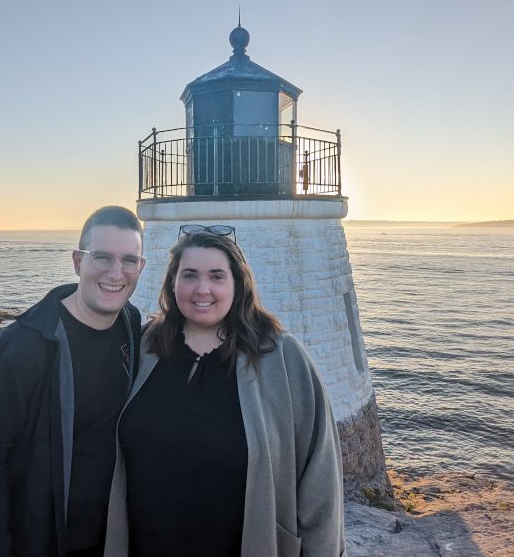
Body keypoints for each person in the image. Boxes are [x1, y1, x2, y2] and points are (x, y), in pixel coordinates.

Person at [105, 227, 346, 557]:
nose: (202, 289)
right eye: (189, 275)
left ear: (238, 284)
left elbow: (321, 482)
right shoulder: (142, 346)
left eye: (217, 276)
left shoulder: (282, 358)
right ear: (173, 283)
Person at [0, 206, 145, 557]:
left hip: (113, 540)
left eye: (129, 260)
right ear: (77, 261)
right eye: (102, 257)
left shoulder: (132, 328)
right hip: (41, 542)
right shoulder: (20, 349)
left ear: (141, 267)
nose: (116, 273)